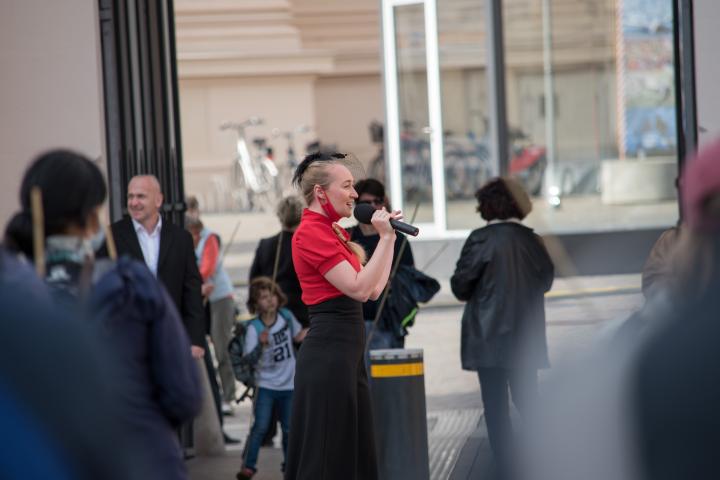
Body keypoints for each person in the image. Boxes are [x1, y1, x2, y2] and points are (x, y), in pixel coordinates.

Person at [3, 149, 202, 479]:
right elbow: (183, 394)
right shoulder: (131, 286)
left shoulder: (13, 292)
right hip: (142, 461)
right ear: (92, 216)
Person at [284, 152, 400, 480]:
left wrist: (386, 239)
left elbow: (375, 289)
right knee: (327, 459)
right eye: (347, 186)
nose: (354, 194)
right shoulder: (310, 233)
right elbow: (360, 289)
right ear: (321, 193)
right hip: (329, 358)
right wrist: (386, 237)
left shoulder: (333, 231)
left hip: (345, 358)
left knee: (355, 455)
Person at [450, 177, 554, 476]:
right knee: (529, 400)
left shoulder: (480, 240)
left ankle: (506, 468)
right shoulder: (533, 240)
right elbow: (545, 281)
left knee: (495, 408)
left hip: (488, 337)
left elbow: (460, 286)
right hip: (526, 336)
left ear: (488, 206)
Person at [103, 175, 206, 358]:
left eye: (141, 196)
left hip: (172, 338)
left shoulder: (181, 238)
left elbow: (191, 290)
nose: (134, 202)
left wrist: (195, 339)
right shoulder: (112, 237)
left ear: (158, 200)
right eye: (130, 196)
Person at [236, 277, 307, 480]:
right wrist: (260, 344)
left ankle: (290, 465)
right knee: (260, 427)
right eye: (264, 298)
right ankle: (248, 465)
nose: (270, 301)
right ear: (256, 303)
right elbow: (249, 359)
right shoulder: (254, 328)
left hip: (289, 383)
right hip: (265, 384)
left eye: (272, 295)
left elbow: (297, 335)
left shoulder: (286, 316)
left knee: (289, 428)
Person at [347, 178, 415, 350]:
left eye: (377, 201)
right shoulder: (347, 237)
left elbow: (410, 276)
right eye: (367, 203)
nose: (373, 207)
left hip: (387, 318)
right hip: (356, 319)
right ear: (358, 205)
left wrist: (394, 283)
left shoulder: (397, 238)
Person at [186, 215, 237, 408]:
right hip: (205, 299)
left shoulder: (209, 239)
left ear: (196, 232)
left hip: (221, 299)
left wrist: (190, 282)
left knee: (221, 346)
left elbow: (207, 268)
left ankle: (229, 396)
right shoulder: (195, 240)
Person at [249, 195, 308, 327]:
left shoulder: (265, 244)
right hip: (302, 313)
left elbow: (254, 281)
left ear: (279, 216)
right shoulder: (306, 244)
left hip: (272, 313)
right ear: (302, 216)